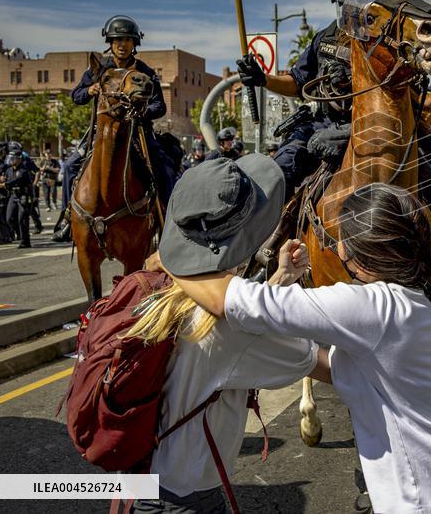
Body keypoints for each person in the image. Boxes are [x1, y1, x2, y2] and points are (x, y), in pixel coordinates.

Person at [165, 183, 431, 514]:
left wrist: (171, 252)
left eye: (339, 237)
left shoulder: (373, 308)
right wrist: (280, 279)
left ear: (349, 252)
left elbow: (239, 303)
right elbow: (315, 354)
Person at [127, 155, 328, 513]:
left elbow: (235, 316)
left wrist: (278, 280)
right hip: (187, 500)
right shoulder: (227, 330)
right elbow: (317, 361)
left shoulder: (154, 290)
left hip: (143, 485)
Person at [236, 0, 389, 195]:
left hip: (372, 126)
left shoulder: (390, 42)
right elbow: (298, 83)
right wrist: (262, 79)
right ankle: (278, 229)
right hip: (322, 122)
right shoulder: (325, 37)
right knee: (278, 173)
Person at [59, 15, 179, 241]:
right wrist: (90, 90)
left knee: (164, 168)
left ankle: (171, 220)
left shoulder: (145, 72)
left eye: (126, 40)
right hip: (101, 133)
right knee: (68, 167)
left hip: (137, 132)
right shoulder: (98, 69)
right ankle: (67, 218)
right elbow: (76, 96)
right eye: (117, 40)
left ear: (135, 44)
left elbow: (159, 106)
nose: (122, 45)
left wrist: (143, 111)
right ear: (110, 43)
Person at [0, 149, 35, 248]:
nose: (11, 160)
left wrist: (3, 184)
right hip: (13, 195)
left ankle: (25, 241)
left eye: (13, 158)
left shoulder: (24, 170)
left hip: (24, 195)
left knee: (22, 219)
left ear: (19, 159)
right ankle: (20, 233)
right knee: (9, 218)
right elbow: (6, 178)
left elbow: (14, 181)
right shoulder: (8, 170)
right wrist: (3, 179)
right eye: (10, 158)